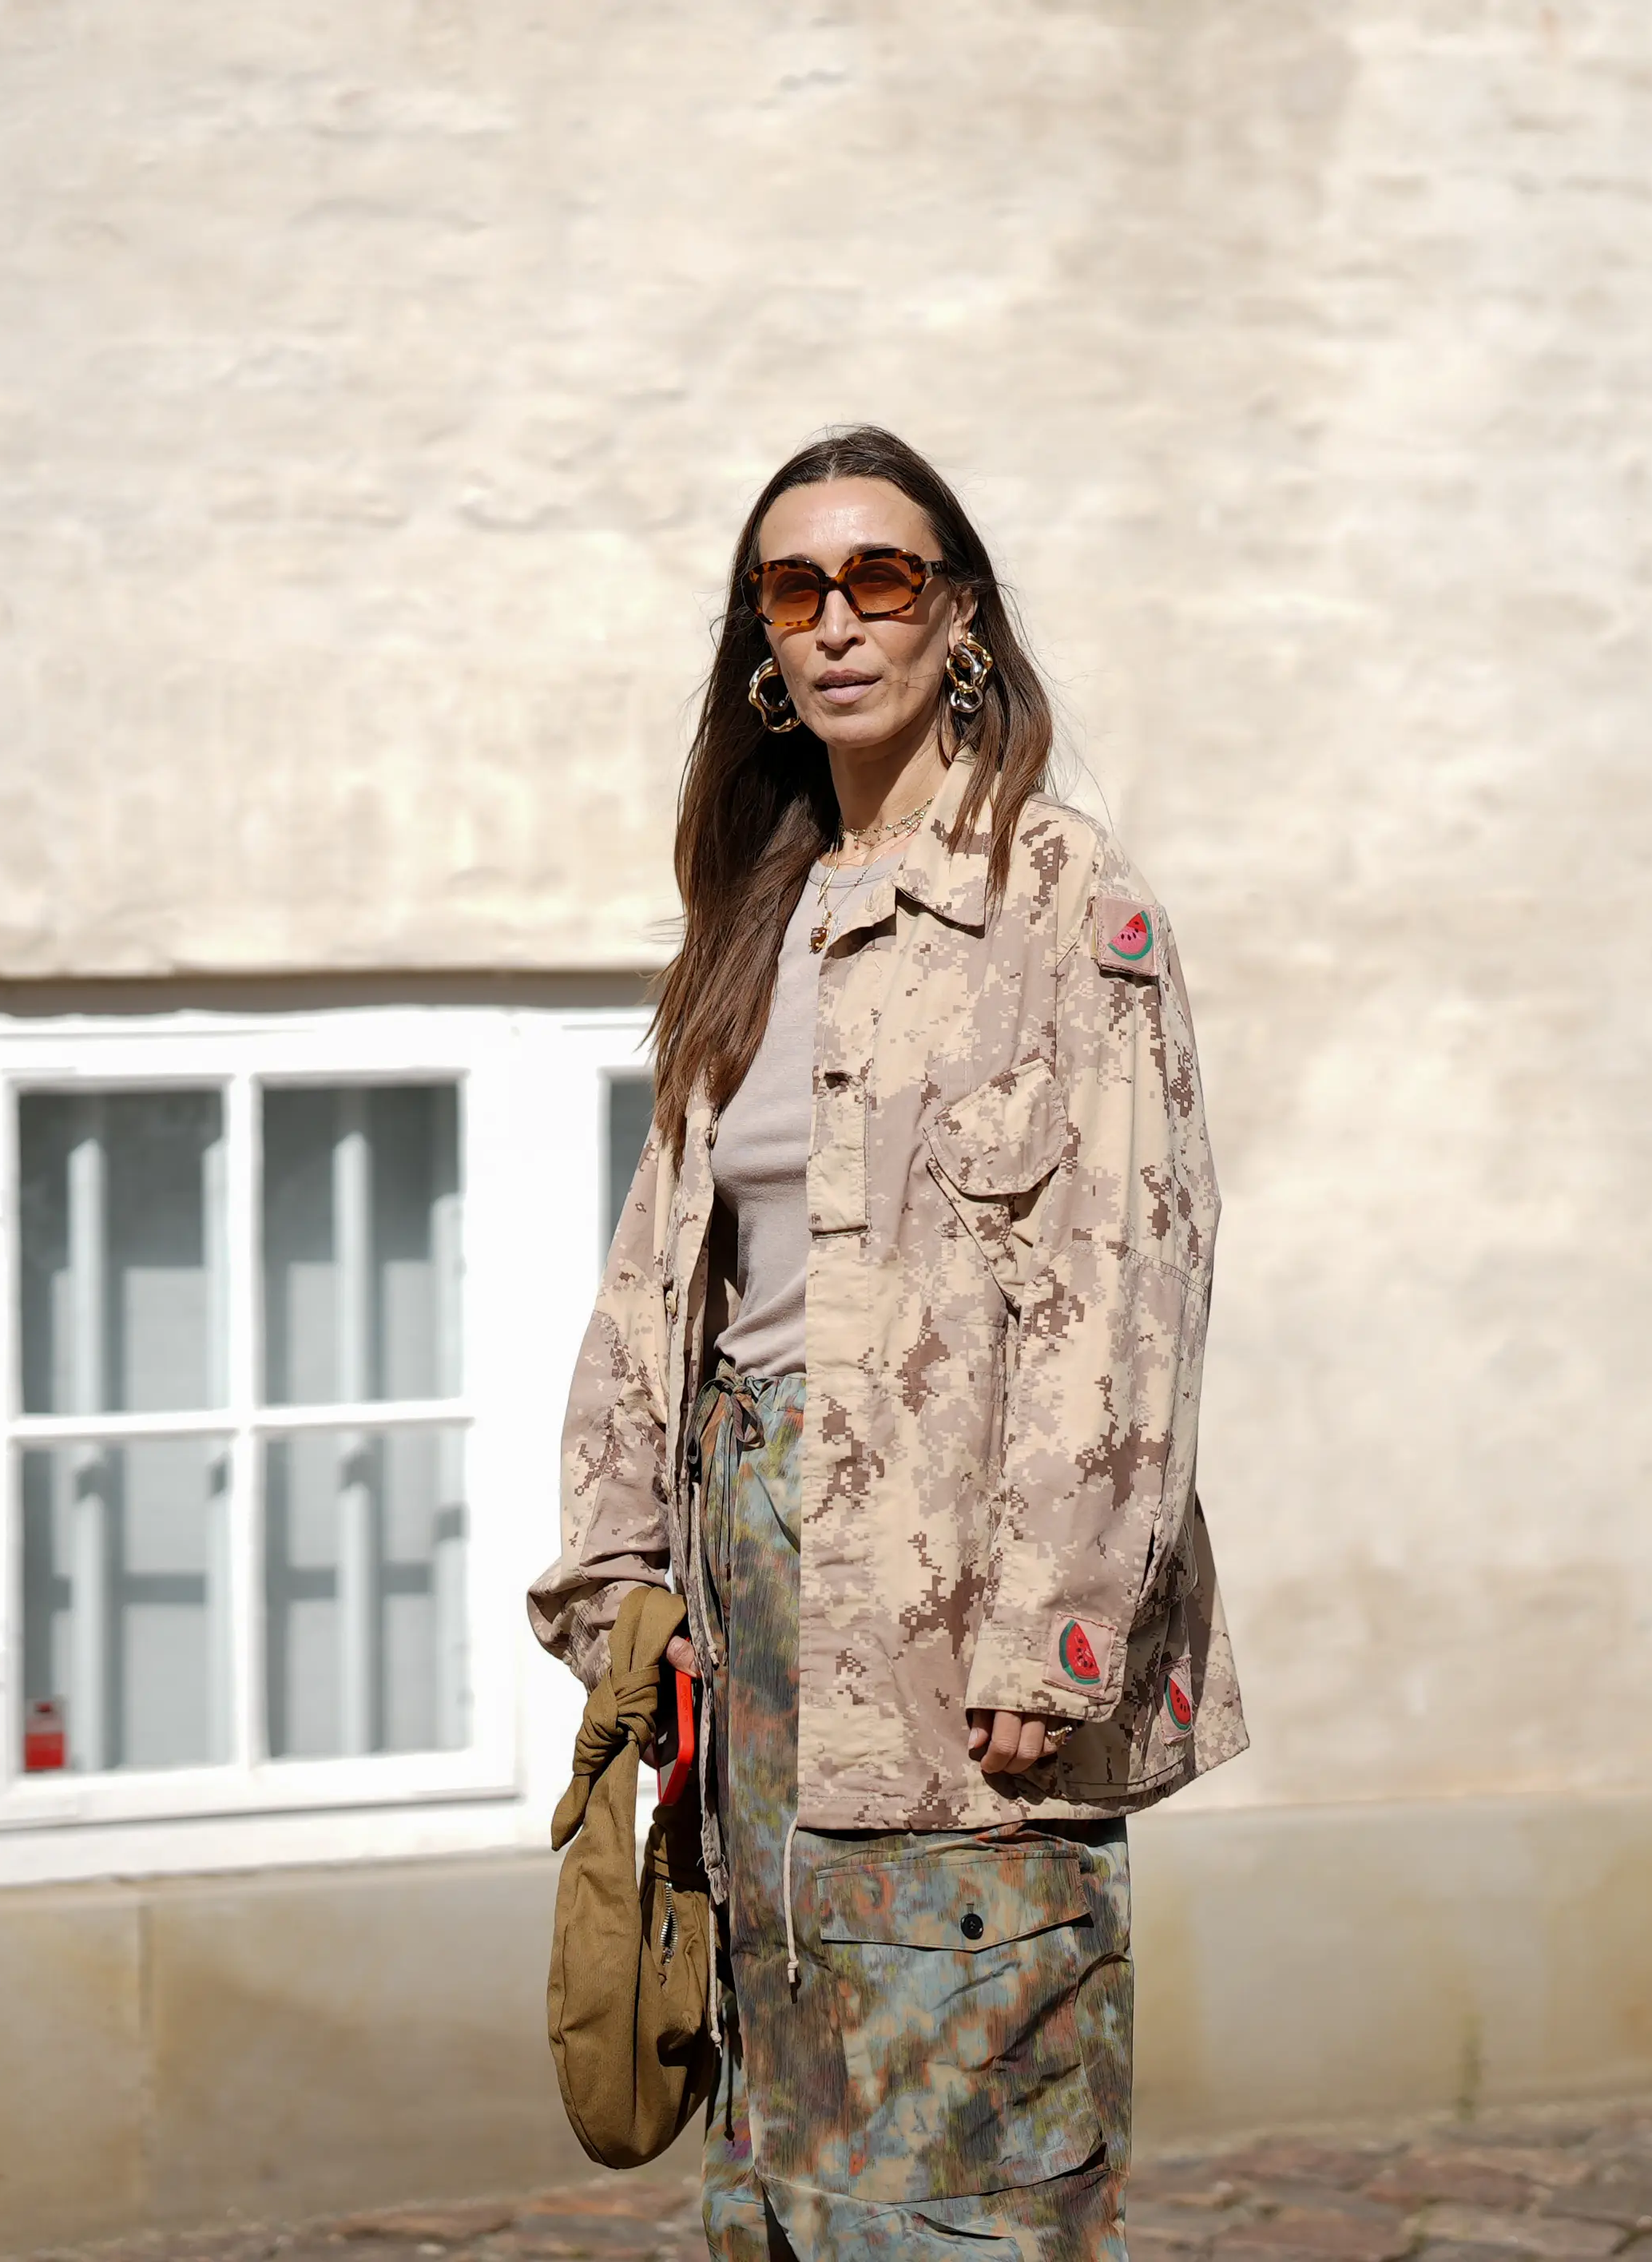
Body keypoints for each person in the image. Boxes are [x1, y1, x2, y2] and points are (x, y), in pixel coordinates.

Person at [528, 426, 1245, 2260]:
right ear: (762, 644)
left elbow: (1126, 1276)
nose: (837, 620)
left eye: (881, 577)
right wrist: (615, 1567)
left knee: (955, 2179)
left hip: (952, 1629)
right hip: (747, 1618)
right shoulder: (755, 923)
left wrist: (1051, 1627)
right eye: (794, 588)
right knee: (780, 2161)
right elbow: (657, 1273)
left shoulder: (1061, 901)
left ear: (959, 616)